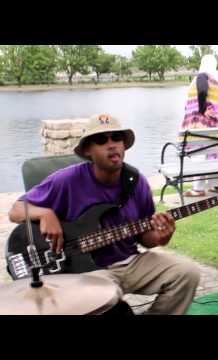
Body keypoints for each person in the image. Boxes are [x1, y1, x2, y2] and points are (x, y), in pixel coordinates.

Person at [8, 114, 200, 314]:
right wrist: (45, 213)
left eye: (116, 138)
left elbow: (145, 238)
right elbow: (16, 210)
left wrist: (161, 237)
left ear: (124, 145)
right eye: (101, 140)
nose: (111, 145)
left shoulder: (136, 181)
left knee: (187, 273)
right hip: (90, 271)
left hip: (131, 262)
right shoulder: (67, 180)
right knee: (109, 301)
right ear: (88, 151)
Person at [182, 54, 218, 197]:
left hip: (203, 124)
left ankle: (197, 189)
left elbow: (202, 91)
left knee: (199, 153)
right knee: (214, 153)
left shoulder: (203, 75)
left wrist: (202, 110)